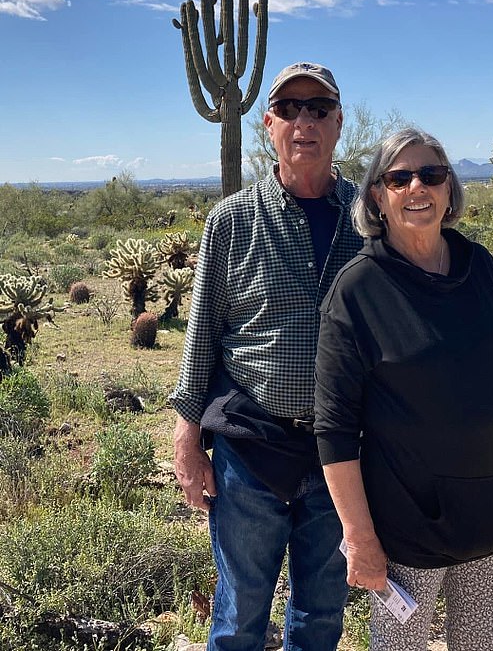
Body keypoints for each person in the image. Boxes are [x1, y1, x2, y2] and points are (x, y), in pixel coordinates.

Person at [313, 127, 493, 650]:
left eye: (431, 174)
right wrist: (358, 535)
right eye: (400, 177)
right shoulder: (358, 290)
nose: (418, 187)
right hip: (408, 532)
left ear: (448, 188)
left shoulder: (480, 266)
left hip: (492, 518)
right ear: (378, 197)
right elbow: (336, 429)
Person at [169, 61, 362, 651]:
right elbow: (201, 333)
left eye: (318, 108)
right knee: (238, 618)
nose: (305, 121)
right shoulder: (232, 220)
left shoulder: (369, 218)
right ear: (268, 124)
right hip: (249, 451)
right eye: (290, 109)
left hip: (343, 455)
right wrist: (185, 440)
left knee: (321, 616)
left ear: (337, 124)